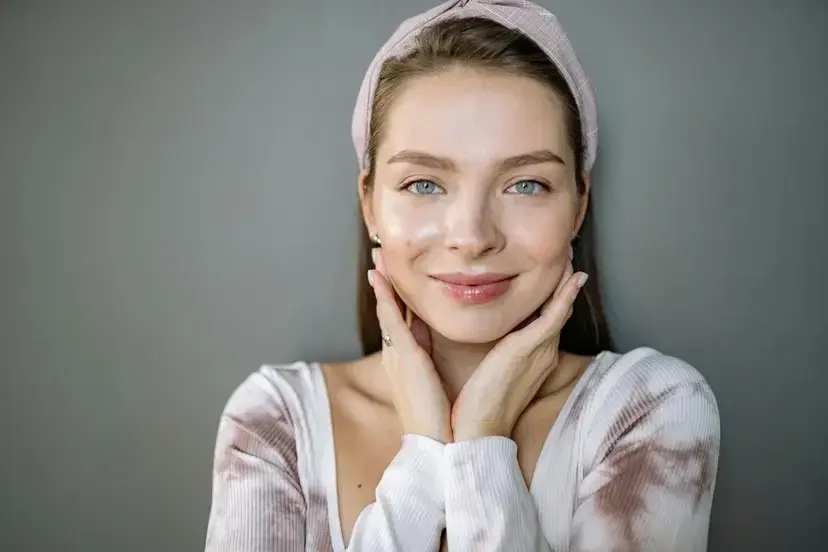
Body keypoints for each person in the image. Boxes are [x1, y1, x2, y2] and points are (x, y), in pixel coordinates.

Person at [204, 1, 721, 550]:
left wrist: (481, 444)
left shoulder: (651, 409)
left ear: (578, 205)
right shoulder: (276, 422)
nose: (472, 237)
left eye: (526, 184)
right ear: (370, 204)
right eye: (423, 184)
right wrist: (425, 454)